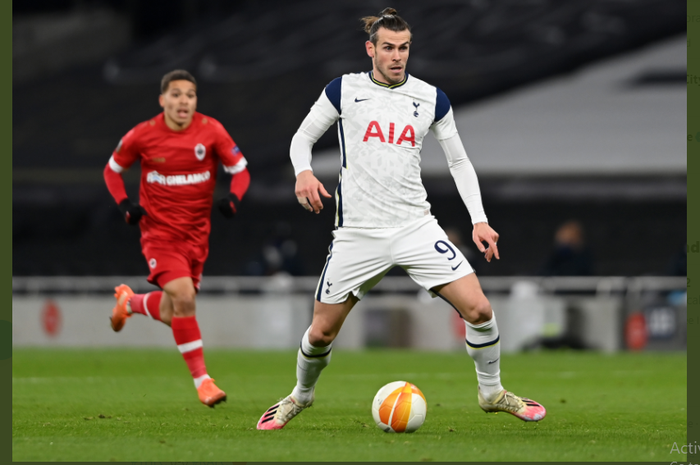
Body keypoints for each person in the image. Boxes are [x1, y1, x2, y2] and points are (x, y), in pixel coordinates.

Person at [257, 8, 545, 430]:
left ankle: (492, 392)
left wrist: (479, 220)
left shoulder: (431, 98)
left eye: (404, 48)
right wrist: (303, 171)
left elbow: (459, 162)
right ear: (370, 49)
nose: (397, 56)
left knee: (480, 309)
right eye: (388, 48)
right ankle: (300, 396)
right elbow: (302, 138)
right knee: (320, 333)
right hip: (358, 233)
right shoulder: (343, 90)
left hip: (415, 226)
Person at [103, 69, 250, 407]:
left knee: (174, 311)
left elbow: (241, 170)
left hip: (197, 236)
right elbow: (112, 169)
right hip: (159, 234)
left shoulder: (211, 130)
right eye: (176, 94)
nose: (183, 101)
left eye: (190, 95)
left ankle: (129, 302)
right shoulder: (144, 134)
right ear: (162, 100)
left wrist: (234, 198)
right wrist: (125, 204)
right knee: (185, 298)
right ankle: (204, 382)